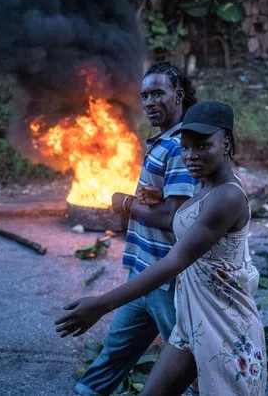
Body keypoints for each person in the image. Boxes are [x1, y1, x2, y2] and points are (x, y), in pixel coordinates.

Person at [57, 101, 267, 396]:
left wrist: (102, 304)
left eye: (203, 146)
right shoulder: (204, 185)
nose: (191, 156)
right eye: (185, 147)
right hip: (191, 319)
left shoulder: (227, 197)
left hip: (224, 324)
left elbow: (175, 260)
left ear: (227, 143)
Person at [71, 62, 198, 396]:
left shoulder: (181, 148)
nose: (150, 101)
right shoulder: (161, 141)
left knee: (190, 362)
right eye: (145, 95)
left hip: (169, 282)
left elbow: (173, 215)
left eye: (158, 93)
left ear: (179, 95)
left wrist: (126, 204)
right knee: (114, 357)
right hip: (142, 276)